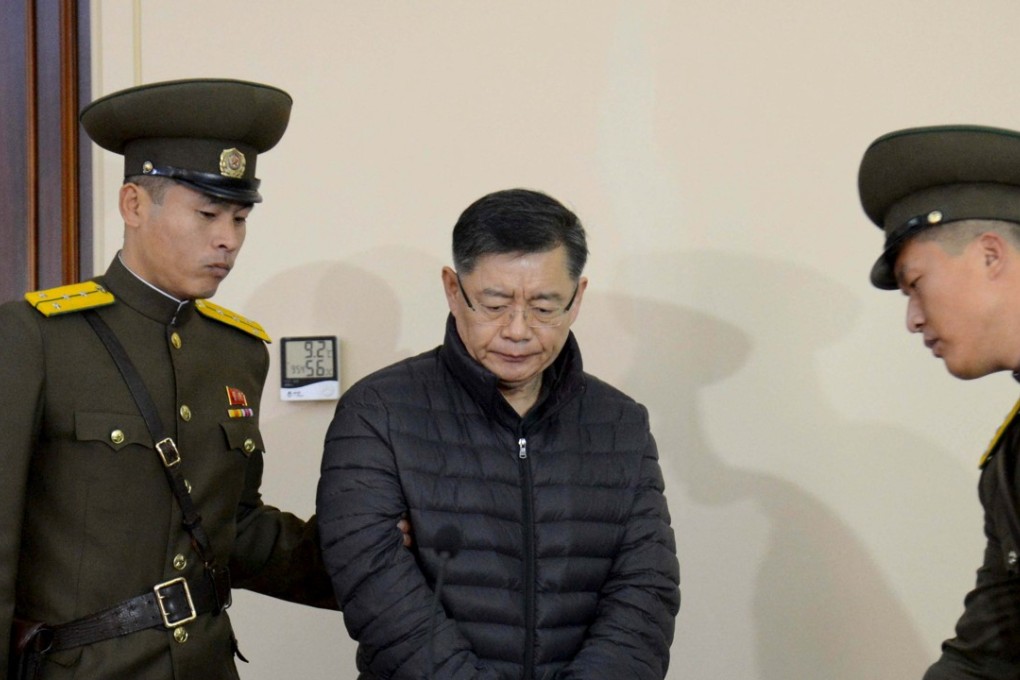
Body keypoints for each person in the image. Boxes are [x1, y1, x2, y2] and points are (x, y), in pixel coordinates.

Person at [0, 78, 340, 680]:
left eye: (239, 217)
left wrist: (375, 554)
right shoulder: (36, 337)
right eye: (208, 213)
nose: (227, 240)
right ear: (134, 205)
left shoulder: (238, 352)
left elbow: (236, 528)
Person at [316, 188, 680, 679]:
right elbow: (375, 588)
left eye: (545, 307)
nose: (518, 330)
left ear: (578, 299)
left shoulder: (620, 423)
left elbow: (645, 588)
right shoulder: (378, 411)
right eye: (494, 304)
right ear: (452, 288)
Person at [858, 124, 1020, 679]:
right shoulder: (1011, 458)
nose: (913, 319)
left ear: (990, 256)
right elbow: (989, 654)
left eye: (916, 283)